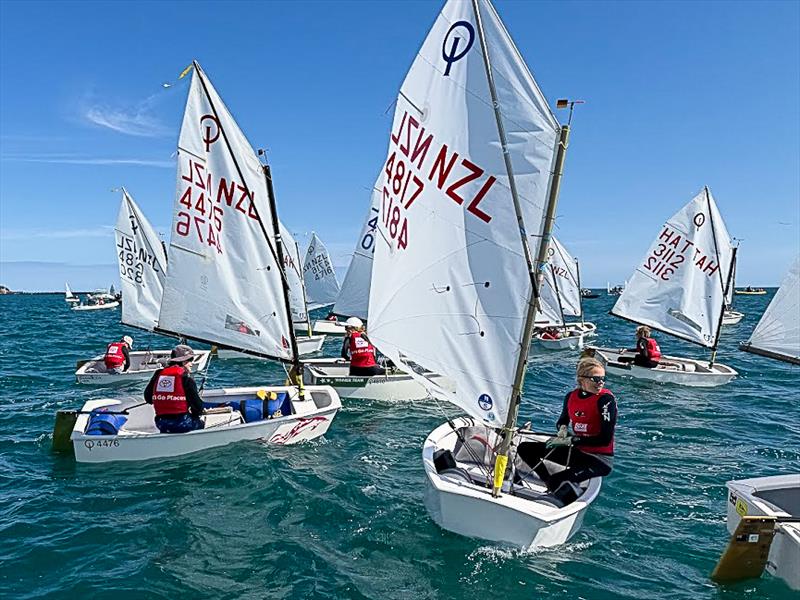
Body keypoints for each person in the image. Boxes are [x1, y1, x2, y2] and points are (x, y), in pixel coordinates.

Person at [516, 357, 616, 494]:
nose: (601, 383)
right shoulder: (571, 397)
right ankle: (549, 483)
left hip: (598, 460)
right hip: (578, 452)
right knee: (525, 449)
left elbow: (605, 438)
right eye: (596, 379)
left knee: (558, 480)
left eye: (603, 379)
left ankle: (554, 486)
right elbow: (563, 420)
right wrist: (562, 430)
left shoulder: (606, 401)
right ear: (582, 379)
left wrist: (573, 440)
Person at [144, 344, 205, 434]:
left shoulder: (158, 374)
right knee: (201, 423)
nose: (192, 364)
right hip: (182, 423)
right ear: (184, 362)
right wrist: (197, 414)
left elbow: (148, 398)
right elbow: (197, 407)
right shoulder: (186, 379)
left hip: (161, 423)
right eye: (190, 360)